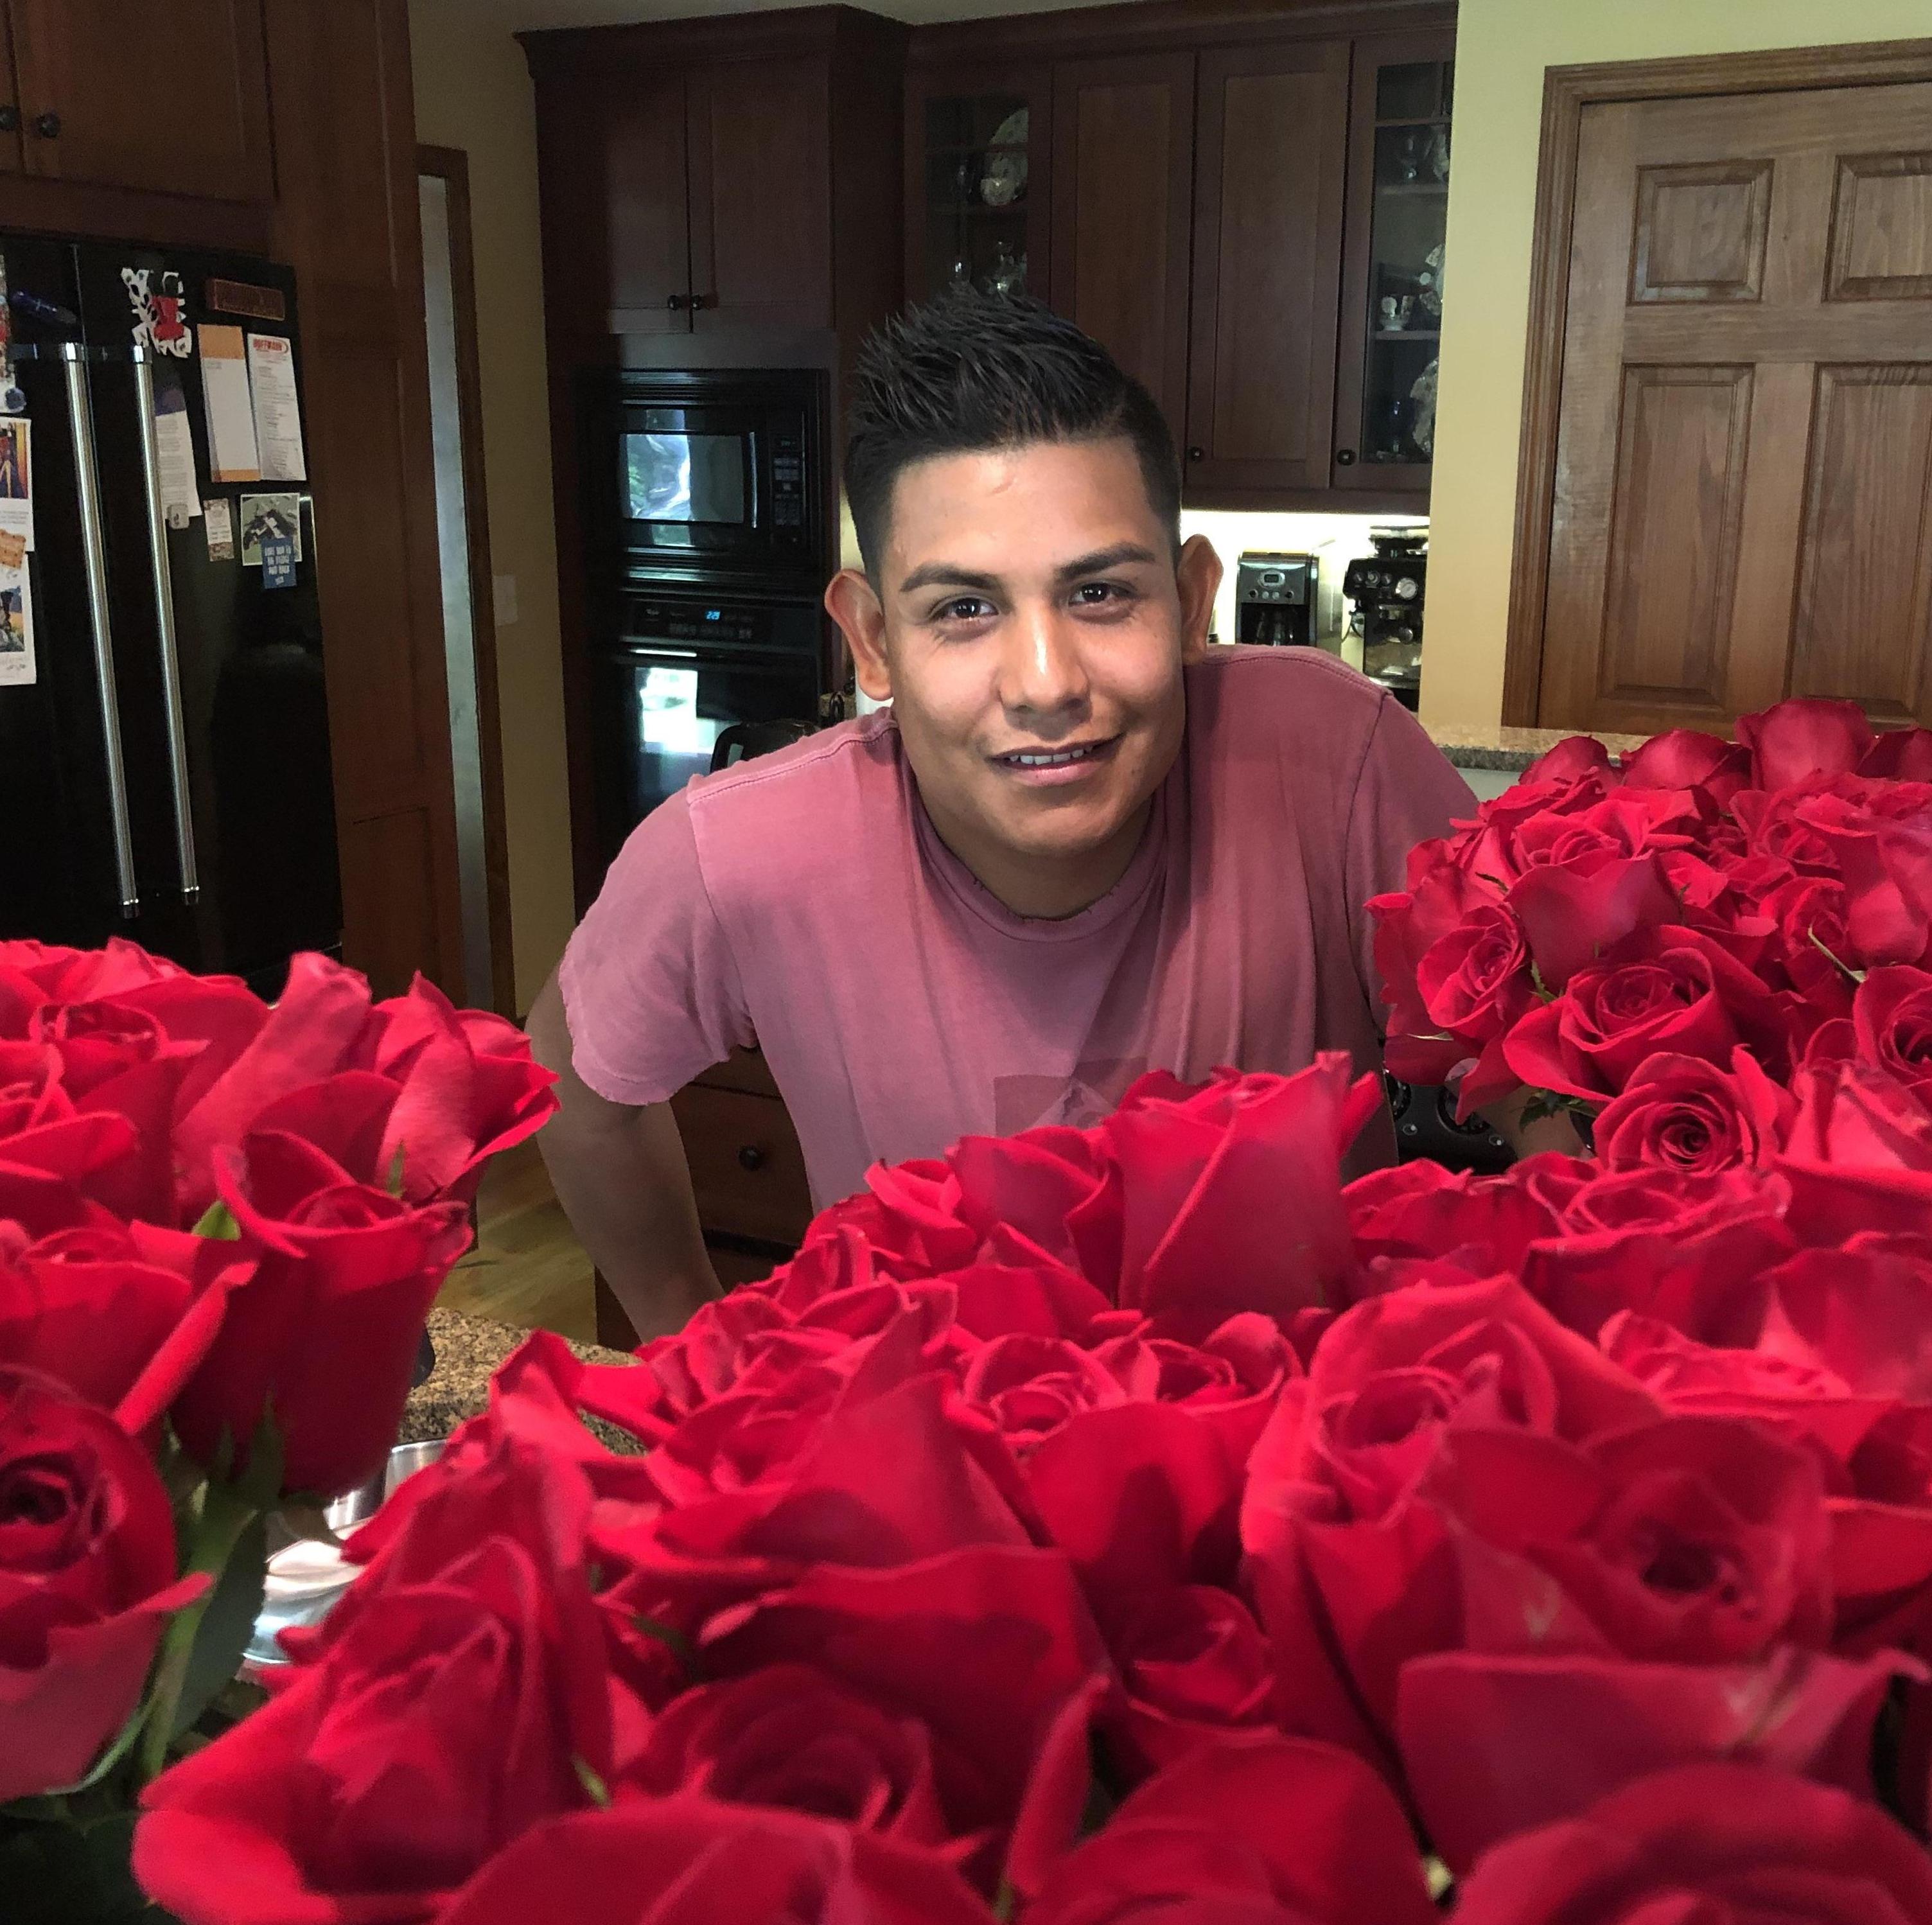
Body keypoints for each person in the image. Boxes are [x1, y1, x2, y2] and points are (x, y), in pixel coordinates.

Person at [531, 291, 1488, 1340]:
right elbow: (575, 1087)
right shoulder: (738, 850)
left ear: (1191, 602)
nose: (1044, 683)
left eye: (1100, 595)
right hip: (933, 1469)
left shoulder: (1334, 760)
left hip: (1295, 1475)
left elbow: (1533, 1072)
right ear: (873, 640)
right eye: (963, 610)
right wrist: (686, 1332)